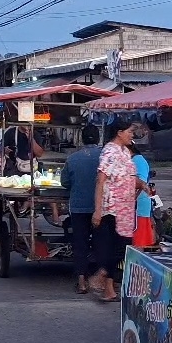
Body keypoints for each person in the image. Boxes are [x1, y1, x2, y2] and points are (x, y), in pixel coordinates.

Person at [92, 120, 145, 302]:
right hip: (112, 208)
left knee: (122, 246)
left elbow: (127, 176)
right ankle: (103, 277)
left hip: (126, 208)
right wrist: (98, 210)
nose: (132, 135)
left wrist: (141, 184)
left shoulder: (125, 152)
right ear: (120, 132)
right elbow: (101, 181)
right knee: (116, 247)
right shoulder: (109, 152)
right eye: (130, 132)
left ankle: (107, 285)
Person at [62, 124, 103, 294]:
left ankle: (81, 282)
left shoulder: (72, 158)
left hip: (78, 208)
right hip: (99, 208)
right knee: (101, 243)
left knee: (80, 244)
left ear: (81, 139)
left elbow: (65, 183)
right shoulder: (104, 157)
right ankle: (100, 279)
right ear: (99, 138)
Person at [129, 143, 155, 248]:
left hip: (138, 209)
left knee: (138, 244)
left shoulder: (138, 161)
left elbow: (141, 184)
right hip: (133, 209)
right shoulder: (130, 161)